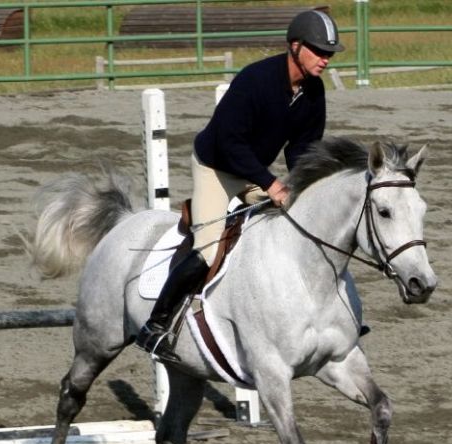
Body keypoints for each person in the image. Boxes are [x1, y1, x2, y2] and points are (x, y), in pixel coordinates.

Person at [136, 9, 344, 363]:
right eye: (319, 51)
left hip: (254, 170)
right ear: (295, 46)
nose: (325, 59)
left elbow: (303, 149)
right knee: (208, 249)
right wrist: (271, 184)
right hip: (216, 167)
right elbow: (229, 144)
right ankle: (155, 326)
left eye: (330, 53)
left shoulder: (313, 92)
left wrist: (304, 187)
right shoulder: (255, 80)